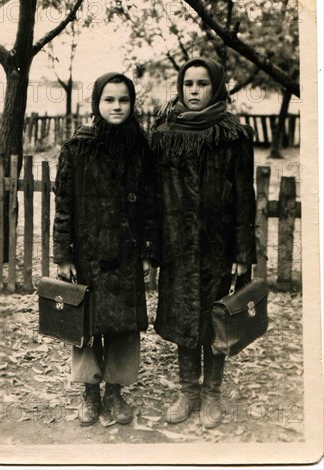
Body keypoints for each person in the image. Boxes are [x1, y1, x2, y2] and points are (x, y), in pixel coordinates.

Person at [151, 57, 256, 429]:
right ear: (180, 87)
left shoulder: (233, 136)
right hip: (176, 247)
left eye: (202, 83)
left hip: (217, 248)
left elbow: (246, 196)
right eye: (189, 83)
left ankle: (212, 394)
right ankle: (188, 391)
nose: (194, 91)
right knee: (183, 318)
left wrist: (244, 252)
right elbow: (151, 196)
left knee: (216, 320)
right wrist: (153, 247)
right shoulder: (163, 134)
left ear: (217, 87)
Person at [53, 72, 158, 426]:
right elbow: (64, 205)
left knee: (123, 326)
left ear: (132, 104)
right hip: (87, 253)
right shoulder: (77, 147)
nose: (117, 106)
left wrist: (148, 251)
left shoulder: (141, 148)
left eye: (124, 100)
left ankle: (114, 392)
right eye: (109, 99)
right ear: (97, 103)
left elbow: (150, 204)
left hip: (127, 254)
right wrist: (64, 255)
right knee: (85, 323)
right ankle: (89, 393)